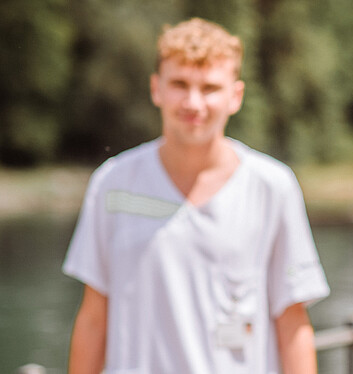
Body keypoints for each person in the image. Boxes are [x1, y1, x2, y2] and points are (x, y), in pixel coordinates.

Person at [63, 18, 330, 373]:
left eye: (209, 88)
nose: (193, 102)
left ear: (235, 96)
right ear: (156, 88)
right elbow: (94, 319)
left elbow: (292, 322)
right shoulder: (111, 183)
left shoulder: (273, 186)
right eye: (179, 84)